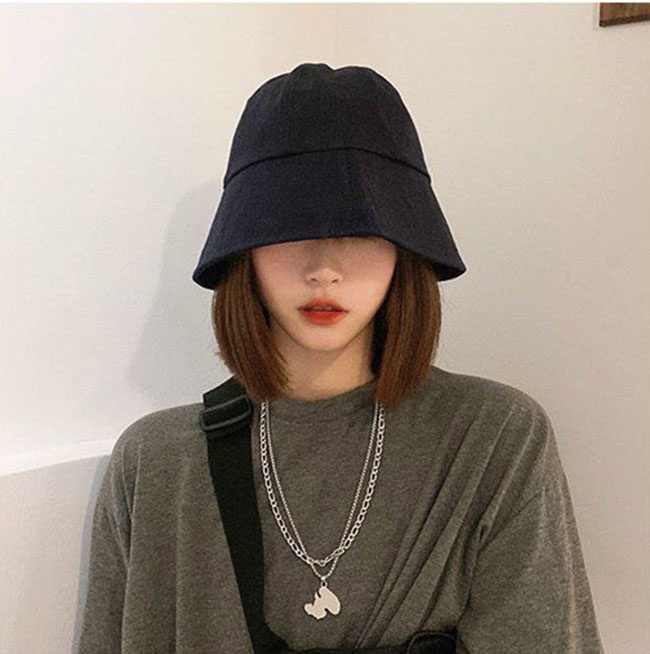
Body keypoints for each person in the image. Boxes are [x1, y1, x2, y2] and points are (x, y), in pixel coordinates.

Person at [77, 63, 605, 654]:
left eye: (359, 227)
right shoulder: (154, 464)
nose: (324, 268)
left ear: (404, 247)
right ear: (245, 250)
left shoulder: (492, 441)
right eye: (287, 227)